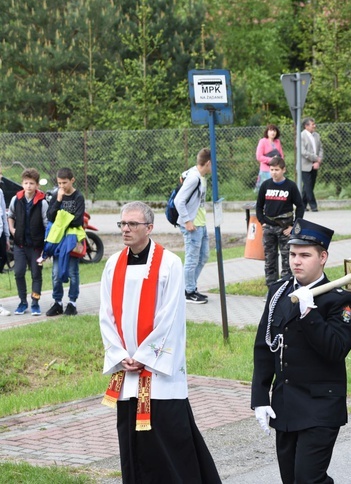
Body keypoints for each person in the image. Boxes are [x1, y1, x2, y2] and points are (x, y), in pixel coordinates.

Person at [99, 201, 221, 483]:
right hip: (127, 369)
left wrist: (144, 356)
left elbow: (170, 316)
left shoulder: (169, 264)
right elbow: (106, 315)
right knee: (134, 447)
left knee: (169, 444)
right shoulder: (112, 264)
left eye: (132, 224)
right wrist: (120, 354)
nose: (125, 229)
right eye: (122, 224)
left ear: (149, 228)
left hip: (158, 373)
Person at [251, 218, 351, 484]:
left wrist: (309, 313)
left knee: (308, 479)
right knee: (291, 479)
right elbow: (264, 346)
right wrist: (260, 396)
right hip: (286, 403)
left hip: (320, 406)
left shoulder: (342, 299)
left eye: (305, 255)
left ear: (323, 257)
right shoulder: (278, 292)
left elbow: (335, 349)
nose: (296, 261)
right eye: (292, 254)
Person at [255, 156, 304, 286]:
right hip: (269, 228)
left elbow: (300, 206)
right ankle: (271, 287)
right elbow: (259, 206)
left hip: (285, 229)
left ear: (283, 170)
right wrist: (263, 222)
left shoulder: (290, 186)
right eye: (271, 169)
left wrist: (294, 226)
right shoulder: (266, 185)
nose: (274, 172)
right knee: (270, 259)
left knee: (287, 259)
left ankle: (286, 286)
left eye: (276, 169)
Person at [8, 168, 49, 316]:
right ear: (22, 184)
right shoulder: (16, 199)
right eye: (26, 183)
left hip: (36, 247)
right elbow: (11, 215)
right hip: (20, 245)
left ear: (37, 185)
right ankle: (22, 302)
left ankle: (35, 302)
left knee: (36, 275)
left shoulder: (42, 203)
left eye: (32, 183)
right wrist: (12, 229)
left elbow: (46, 224)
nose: (28, 186)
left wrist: (46, 244)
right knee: (18, 273)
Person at [46, 167, 85, 316]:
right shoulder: (57, 195)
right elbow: (50, 216)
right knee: (56, 273)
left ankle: (72, 303)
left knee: (72, 272)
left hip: (72, 239)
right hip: (58, 239)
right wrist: (58, 200)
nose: (62, 186)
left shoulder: (78, 197)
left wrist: (61, 221)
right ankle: (57, 302)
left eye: (65, 183)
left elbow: (78, 220)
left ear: (72, 180)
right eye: (59, 183)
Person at [176, 148, 211, 304]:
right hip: (193, 225)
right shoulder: (195, 178)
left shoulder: (197, 175)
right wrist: (187, 221)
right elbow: (179, 200)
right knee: (192, 259)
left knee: (203, 256)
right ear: (208, 163)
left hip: (201, 223)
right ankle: (187, 292)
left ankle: (190, 287)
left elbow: (182, 175)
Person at [300, 117, 323, 212]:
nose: (314, 126)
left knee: (308, 186)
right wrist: (315, 158)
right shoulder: (301, 136)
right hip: (305, 165)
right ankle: (313, 205)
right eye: (312, 124)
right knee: (308, 186)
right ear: (306, 126)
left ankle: (302, 205)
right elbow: (303, 152)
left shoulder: (316, 135)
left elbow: (321, 148)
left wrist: (318, 160)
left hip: (315, 164)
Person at [255, 124, 284, 190]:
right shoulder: (262, 141)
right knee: (266, 190)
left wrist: (280, 162)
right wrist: (272, 160)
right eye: (271, 130)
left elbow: (281, 155)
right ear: (267, 132)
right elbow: (259, 156)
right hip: (266, 170)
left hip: (277, 169)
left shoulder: (277, 141)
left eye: (274, 131)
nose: (273, 132)